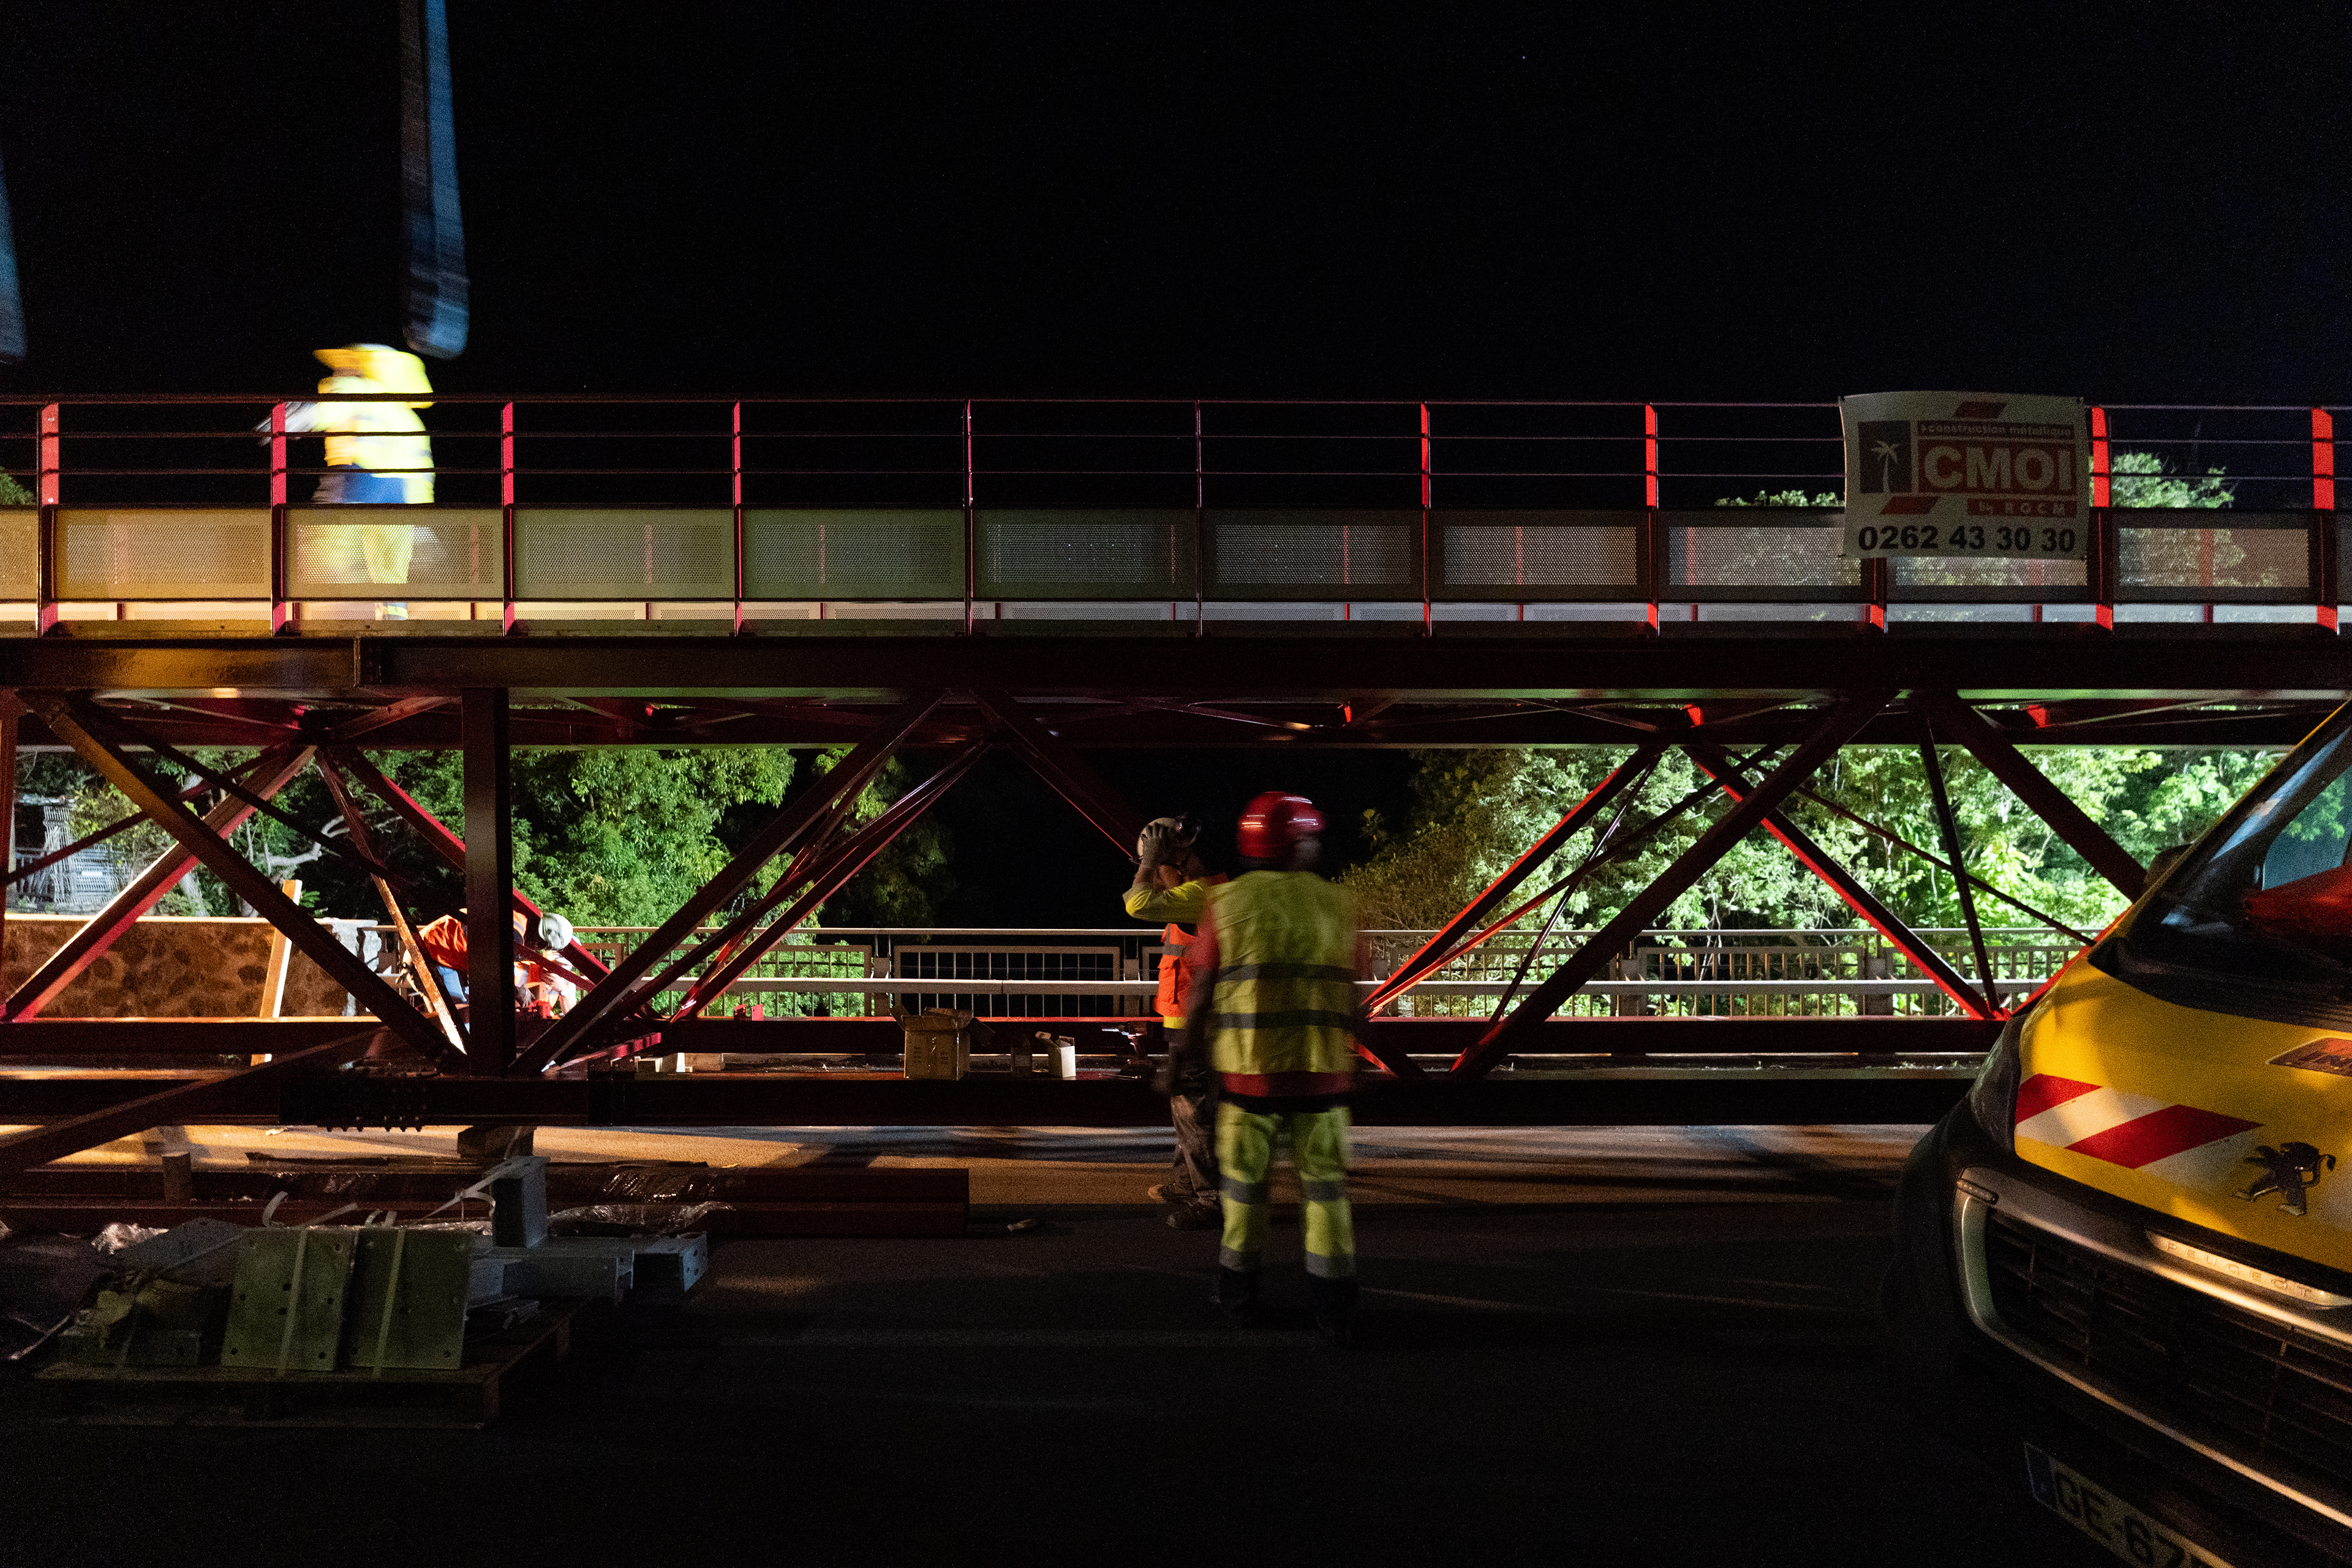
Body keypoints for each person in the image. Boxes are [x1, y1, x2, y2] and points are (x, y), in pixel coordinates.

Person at [1182, 792, 1368, 1344]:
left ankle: (1239, 1299)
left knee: (1244, 1197)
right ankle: (1333, 1308)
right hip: (1324, 1078)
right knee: (1327, 1198)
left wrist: (1182, 1061)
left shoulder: (1227, 904)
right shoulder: (1340, 905)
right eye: (1311, 837)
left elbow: (1200, 997)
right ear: (1298, 843)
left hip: (1248, 1079)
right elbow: (1354, 1001)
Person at [274, 344, 436, 619]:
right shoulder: (400, 409)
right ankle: (394, 616)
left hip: (363, 477)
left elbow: (326, 412)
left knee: (327, 538)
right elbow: (422, 462)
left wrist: (287, 420)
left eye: (345, 362)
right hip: (402, 488)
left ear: (362, 365)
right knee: (390, 562)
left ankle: (311, 591)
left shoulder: (352, 389)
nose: (338, 369)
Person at [1122, 814, 1224, 1229]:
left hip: (1195, 1018)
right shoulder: (1203, 891)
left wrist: (1150, 860)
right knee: (1190, 1108)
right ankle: (1186, 1181)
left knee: (1193, 1107)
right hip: (1192, 1014)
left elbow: (1138, 902)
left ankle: (1210, 1197)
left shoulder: (1201, 895)